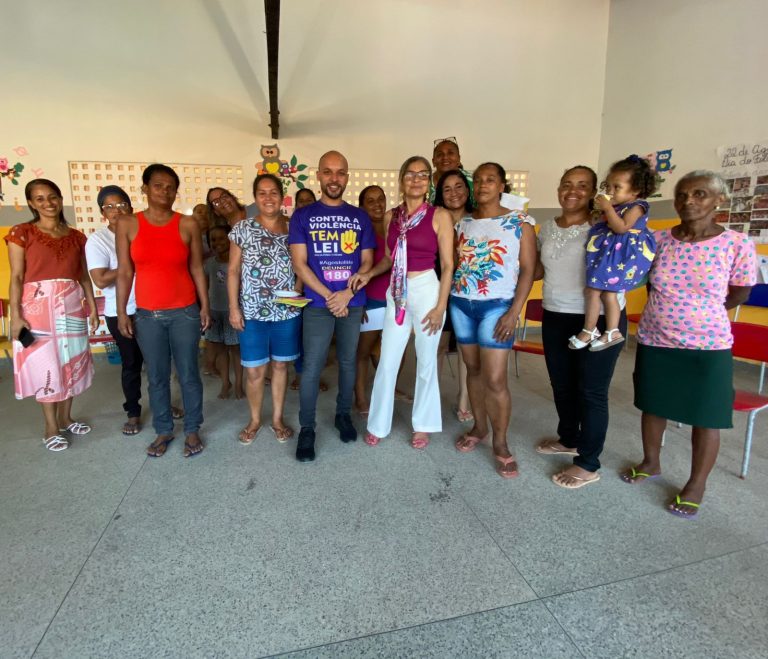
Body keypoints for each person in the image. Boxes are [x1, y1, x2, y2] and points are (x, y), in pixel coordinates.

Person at [625, 171, 756, 519]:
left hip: (709, 345)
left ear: (719, 200)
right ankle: (651, 462)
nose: (689, 201)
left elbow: (741, 291)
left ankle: (696, 484)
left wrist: (701, 312)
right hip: (655, 338)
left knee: (706, 415)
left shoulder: (736, 243)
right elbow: (650, 283)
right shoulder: (659, 239)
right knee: (653, 405)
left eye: (700, 194)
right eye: (682, 194)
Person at [351, 157, 454, 449]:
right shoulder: (391, 217)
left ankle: (423, 424)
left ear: (429, 182)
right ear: (401, 180)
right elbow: (389, 258)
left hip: (426, 289)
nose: (416, 179)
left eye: (423, 175)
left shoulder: (439, 216)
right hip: (397, 290)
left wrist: (440, 307)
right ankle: (378, 424)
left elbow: (448, 265)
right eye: (410, 174)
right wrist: (369, 274)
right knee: (388, 359)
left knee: (426, 359)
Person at [535, 165, 628, 488]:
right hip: (555, 313)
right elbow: (537, 271)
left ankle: (588, 462)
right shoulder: (547, 228)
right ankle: (569, 438)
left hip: (598, 318)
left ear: (593, 192)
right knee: (561, 384)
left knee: (591, 390)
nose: (572, 191)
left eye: (582, 185)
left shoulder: (603, 225)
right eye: (566, 184)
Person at [116, 163, 210, 458]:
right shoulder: (128, 224)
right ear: (145, 188)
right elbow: (124, 272)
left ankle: (192, 428)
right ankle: (164, 429)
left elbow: (197, 268)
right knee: (156, 376)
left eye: (171, 187)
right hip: (147, 315)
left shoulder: (188, 224)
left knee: (189, 374)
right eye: (158, 185)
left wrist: (204, 306)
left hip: (185, 312)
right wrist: (122, 312)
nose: (165, 191)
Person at [289, 150, 376, 462]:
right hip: (317, 303)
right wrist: (331, 296)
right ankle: (307, 428)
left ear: (347, 177)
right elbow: (300, 264)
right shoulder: (302, 216)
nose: (334, 178)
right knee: (312, 367)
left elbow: (367, 262)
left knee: (348, 362)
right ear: (319, 175)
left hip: (352, 302)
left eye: (340, 172)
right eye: (328, 171)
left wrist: (346, 295)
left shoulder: (360, 217)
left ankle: (343, 415)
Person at [449, 163, 536, 477]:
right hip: (461, 304)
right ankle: (479, 427)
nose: (483, 184)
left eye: (490, 180)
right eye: (479, 180)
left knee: (495, 379)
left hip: (497, 307)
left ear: (502, 186)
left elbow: (529, 270)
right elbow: (455, 264)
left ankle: (501, 441)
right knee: (472, 370)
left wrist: (514, 312)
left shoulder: (520, 223)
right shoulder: (463, 223)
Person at [5, 179, 98, 451]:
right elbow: (17, 277)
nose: (48, 203)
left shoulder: (76, 236)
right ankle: (50, 427)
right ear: (32, 204)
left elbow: (83, 275)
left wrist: (92, 306)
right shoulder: (22, 232)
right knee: (47, 365)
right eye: (40, 199)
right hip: (38, 309)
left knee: (71, 361)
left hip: (72, 305)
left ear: (60, 199)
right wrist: (16, 316)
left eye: (53, 197)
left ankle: (66, 418)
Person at [228, 174, 300, 444]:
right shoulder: (242, 228)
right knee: (255, 370)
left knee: (280, 366)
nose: (268, 198)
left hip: (286, 312)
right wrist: (234, 308)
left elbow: (302, 266)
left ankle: (277, 419)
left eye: (273, 192)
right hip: (252, 311)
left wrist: (297, 291)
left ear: (282, 197)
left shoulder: (294, 228)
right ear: (255, 198)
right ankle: (255, 419)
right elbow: (233, 271)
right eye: (262, 193)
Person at [569, 155, 657, 351]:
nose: (610, 192)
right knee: (599, 292)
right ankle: (603, 330)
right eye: (608, 186)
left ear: (636, 190)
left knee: (601, 292)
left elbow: (621, 227)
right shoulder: (616, 207)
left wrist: (608, 209)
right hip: (608, 255)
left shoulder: (638, 206)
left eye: (617, 187)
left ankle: (600, 330)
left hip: (621, 256)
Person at [86, 185, 144, 436]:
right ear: (103, 213)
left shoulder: (141, 233)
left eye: (121, 204)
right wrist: (130, 264)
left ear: (130, 208)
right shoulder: (98, 240)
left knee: (159, 363)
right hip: (121, 312)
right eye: (109, 206)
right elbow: (100, 280)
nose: (116, 210)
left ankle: (164, 403)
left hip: (150, 307)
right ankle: (133, 412)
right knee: (131, 364)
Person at [352, 184, 411, 416]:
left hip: (396, 299)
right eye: (370, 200)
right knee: (363, 352)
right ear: (362, 207)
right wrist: (357, 302)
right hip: (370, 300)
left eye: (380, 199)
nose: (377, 204)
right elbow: (352, 270)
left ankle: (389, 388)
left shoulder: (395, 228)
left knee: (396, 350)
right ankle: (360, 397)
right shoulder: (358, 233)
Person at [433, 169, 473, 423]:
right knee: (437, 346)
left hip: (469, 292)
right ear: (440, 194)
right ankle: (432, 399)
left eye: (459, 186)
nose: (453, 193)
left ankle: (463, 400)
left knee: (464, 349)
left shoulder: (477, 219)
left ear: (467, 190)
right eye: (447, 189)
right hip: (439, 290)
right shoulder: (435, 218)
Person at [204, 224, 244, 399]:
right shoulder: (209, 264)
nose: (217, 242)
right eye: (213, 240)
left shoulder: (239, 263)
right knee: (220, 349)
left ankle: (239, 384)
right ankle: (225, 382)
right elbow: (205, 287)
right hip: (215, 311)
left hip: (233, 312)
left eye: (222, 238)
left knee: (236, 349)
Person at [430, 137, 473, 203]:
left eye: (450, 153)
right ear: (433, 162)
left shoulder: (473, 182)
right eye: (440, 154)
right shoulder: (424, 184)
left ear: (459, 159)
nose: (445, 157)